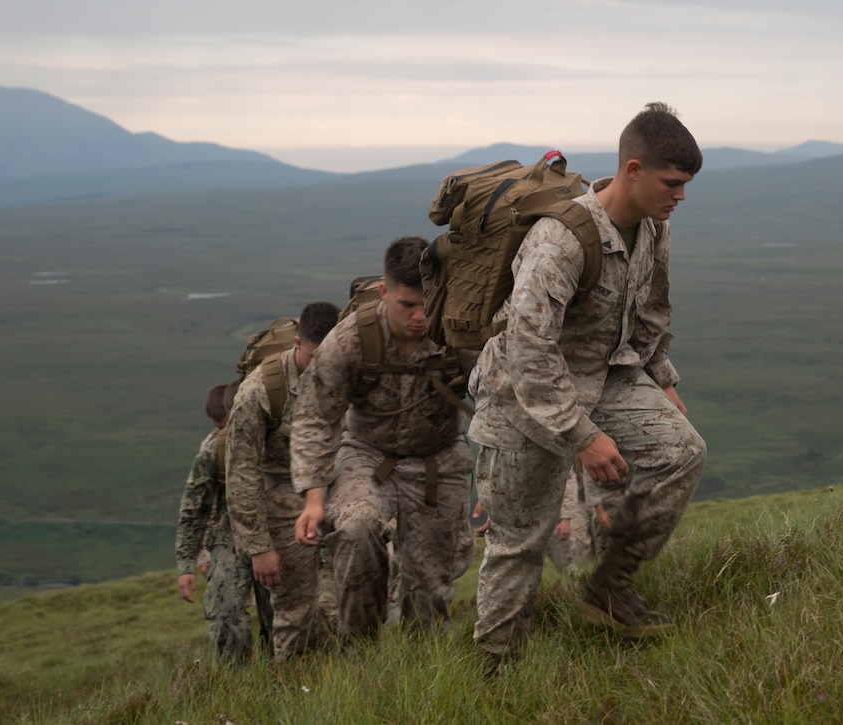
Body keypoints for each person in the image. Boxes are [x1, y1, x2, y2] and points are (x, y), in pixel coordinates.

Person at [467, 102, 708, 663]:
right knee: (518, 545)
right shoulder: (561, 241)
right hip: (521, 401)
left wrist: (660, 378)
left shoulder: (652, 226)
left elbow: (651, 310)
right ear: (632, 170)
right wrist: (583, 438)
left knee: (681, 452)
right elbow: (529, 351)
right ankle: (495, 671)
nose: (680, 196)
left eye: (686, 185)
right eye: (671, 183)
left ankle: (607, 590)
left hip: (602, 378)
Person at [292, 236, 476, 646]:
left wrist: (498, 487)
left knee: (429, 588)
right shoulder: (351, 340)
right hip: (365, 458)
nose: (419, 317)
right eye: (407, 305)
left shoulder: (458, 335)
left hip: (438, 461)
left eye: (428, 304)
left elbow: (501, 400)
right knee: (358, 530)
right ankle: (360, 656)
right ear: (384, 292)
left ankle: (421, 666)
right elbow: (314, 418)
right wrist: (313, 498)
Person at [225, 301, 341, 661]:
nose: (324, 365)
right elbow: (241, 472)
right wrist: (258, 547)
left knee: (356, 599)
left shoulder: (351, 371)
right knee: (294, 608)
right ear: (296, 344)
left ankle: (351, 677)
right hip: (284, 496)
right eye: (314, 355)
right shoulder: (259, 391)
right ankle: (291, 686)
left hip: (342, 488)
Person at [176, 381, 272, 662]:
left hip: (280, 529)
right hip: (231, 534)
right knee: (226, 613)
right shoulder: (213, 450)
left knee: (280, 617)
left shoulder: (283, 439)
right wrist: (187, 564)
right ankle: (236, 685)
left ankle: (285, 676)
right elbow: (194, 509)